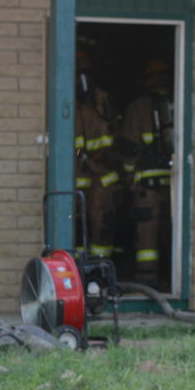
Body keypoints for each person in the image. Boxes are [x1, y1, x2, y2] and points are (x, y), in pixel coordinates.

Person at [120, 59, 174, 289]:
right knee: (169, 229)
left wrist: (128, 177)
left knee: (147, 232)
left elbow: (129, 147)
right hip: (173, 180)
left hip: (146, 183)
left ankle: (147, 280)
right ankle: (170, 277)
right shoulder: (177, 102)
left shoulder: (138, 107)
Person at [74, 52, 121, 259]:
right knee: (75, 219)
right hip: (81, 171)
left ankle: (100, 266)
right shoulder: (70, 101)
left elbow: (110, 137)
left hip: (101, 173)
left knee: (101, 220)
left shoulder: (100, 102)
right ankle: (78, 264)